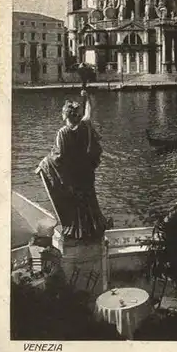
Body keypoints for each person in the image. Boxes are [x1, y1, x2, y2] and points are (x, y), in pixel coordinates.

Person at [37, 90, 107, 241]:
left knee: (76, 205)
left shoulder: (63, 132)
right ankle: (93, 231)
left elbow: (59, 157)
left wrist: (44, 163)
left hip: (73, 175)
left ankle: (79, 233)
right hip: (86, 173)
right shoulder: (85, 126)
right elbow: (89, 112)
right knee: (89, 201)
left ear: (65, 116)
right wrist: (87, 97)